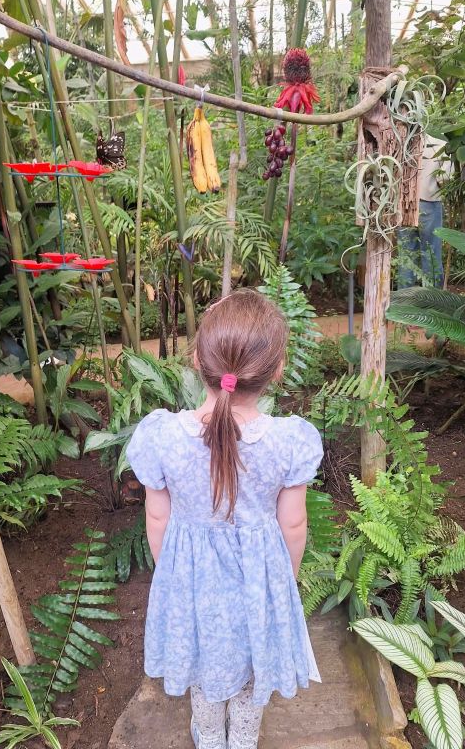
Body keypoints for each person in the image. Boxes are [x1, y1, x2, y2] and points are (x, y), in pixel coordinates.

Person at [126, 289, 323, 749]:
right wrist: (286, 580)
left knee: (204, 658)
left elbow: (157, 515)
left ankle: (211, 736)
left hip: (193, 578)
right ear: (277, 369)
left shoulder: (163, 437)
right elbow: (294, 524)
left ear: (197, 359)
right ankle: (244, 738)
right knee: (254, 658)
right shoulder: (289, 442)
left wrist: (170, 573)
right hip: (259, 576)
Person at [397, 134, 451, 288]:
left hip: (404, 204)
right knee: (431, 252)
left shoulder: (401, 144)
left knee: (406, 254)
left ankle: (404, 297)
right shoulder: (441, 145)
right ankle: (432, 297)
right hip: (429, 202)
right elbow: (444, 180)